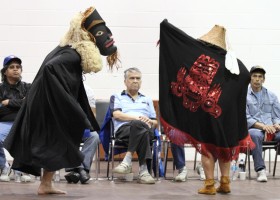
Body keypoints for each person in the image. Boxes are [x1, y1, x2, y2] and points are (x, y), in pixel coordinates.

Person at [4, 6, 118, 195]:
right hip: (49, 107)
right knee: (56, 142)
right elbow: (50, 68)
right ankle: (46, 184)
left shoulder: (66, 50)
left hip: (47, 105)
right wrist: (66, 102)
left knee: (57, 143)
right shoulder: (71, 55)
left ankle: (46, 184)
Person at [159, 20, 254, 195]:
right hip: (224, 113)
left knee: (208, 147)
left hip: (206, 112)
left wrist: (166, 31)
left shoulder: (200, 56)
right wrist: (229, 96)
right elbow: (247, 76)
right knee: (224, 147)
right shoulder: (232, 61)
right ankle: (225, 183)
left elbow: (180, 53)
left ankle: (210, 185)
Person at [111, 67, 158, 184]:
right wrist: (137, 118)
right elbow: (116, 114)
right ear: (125, 81)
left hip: (146, 129)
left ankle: (127, 161)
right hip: (124, 130)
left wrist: (150, 122)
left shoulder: (147, 99)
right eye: (132, 78)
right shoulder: (117, 96)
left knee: (144, 130)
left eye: (138, 78)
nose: (135, 81)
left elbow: (155, 122)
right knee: (142, 129)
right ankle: (144, 172)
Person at [0, 55, 32, 182]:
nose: (15, 69)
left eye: (18, 67)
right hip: (4, 122)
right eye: (12, 67)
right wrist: (21, 103)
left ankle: (20, 169)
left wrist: (9, 102)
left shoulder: (28, 87)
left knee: (26, 137)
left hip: (24, 122)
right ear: (5, 71)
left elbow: (30, 104)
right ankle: (4, 167)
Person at [246, 65, 280, 182]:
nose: (257, 79)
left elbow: (277, 116)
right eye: (254, 76)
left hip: (271, 129)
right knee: (255, 135)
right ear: (250, 78)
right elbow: (246, 118)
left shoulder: (272, 96)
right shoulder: (244, 96)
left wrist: (277, 125)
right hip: (254, 128)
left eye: (260, 77)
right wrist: (263, 126)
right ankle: (261, 170)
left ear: (263, 79)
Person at [64, 84, 100, 184]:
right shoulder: (62, 88)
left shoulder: (88, 91)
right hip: (64, 127)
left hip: (82, 126)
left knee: (94, 136)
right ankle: (82, 171)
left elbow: (92, 114)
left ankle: (77, 171)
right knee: (66, 135)